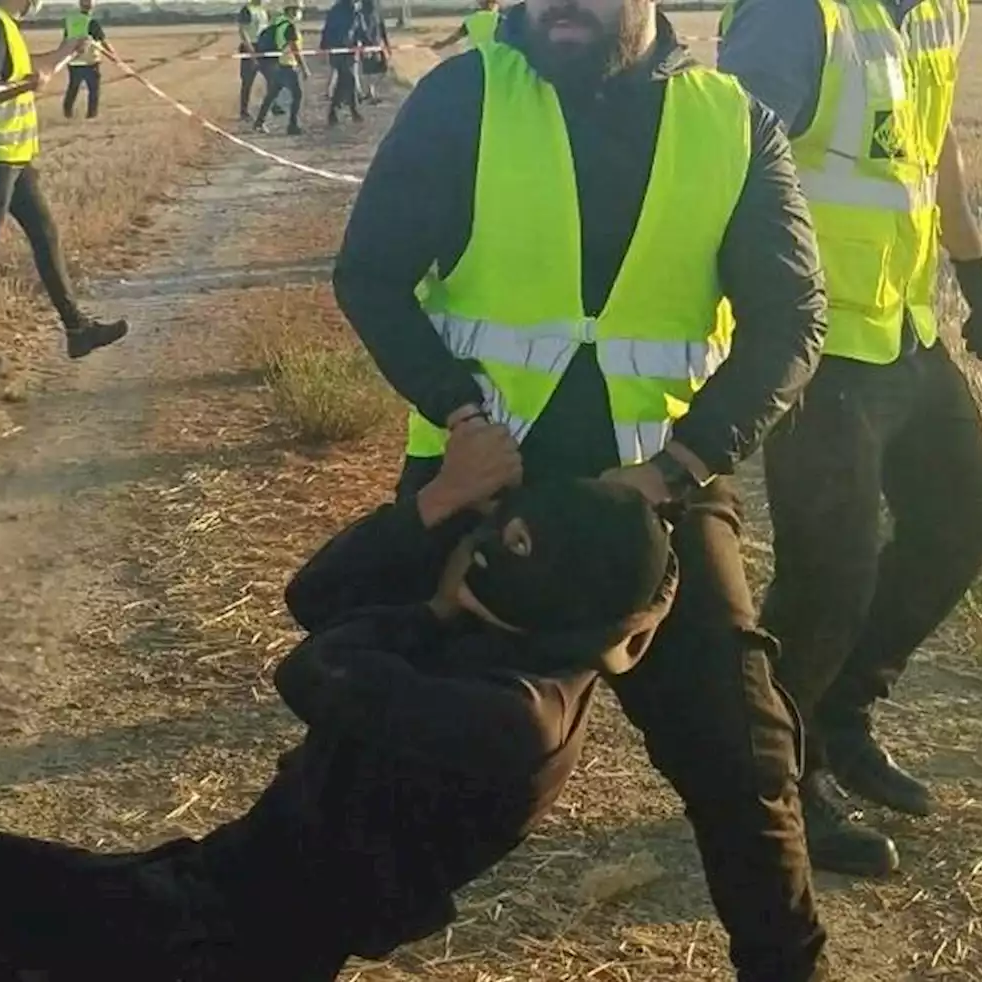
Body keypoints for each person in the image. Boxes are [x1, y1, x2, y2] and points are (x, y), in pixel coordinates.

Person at [332, 0, 836, 975]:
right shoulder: (464, 96)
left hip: (654, 503)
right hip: (484, 497)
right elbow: (369, 274)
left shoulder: (732, 122)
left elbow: (790, 321)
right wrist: (459, 417)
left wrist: (674, 468)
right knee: (381, 768)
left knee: (746, 764)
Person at [0, 466, 683, 982]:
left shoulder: (514, 719)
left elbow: (313, 668)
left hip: (233, 942)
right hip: (219, 886)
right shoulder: (520, 647)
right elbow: (313, 601)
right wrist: (431, 507)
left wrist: (431, 607)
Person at [717, 0, 982, 880]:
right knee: (830, 575)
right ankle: (772, 776)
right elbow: (732, 168)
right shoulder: (796, 17)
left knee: (961, 521)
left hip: (906, 329)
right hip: (817, 348)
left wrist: (974, 269)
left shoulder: (939, 10)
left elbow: (932, 138)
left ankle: (839, 715)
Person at [0, 0, 129, 373]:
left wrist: (69, 48)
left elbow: (30, 69)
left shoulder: (3, 23)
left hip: (11, 156)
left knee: (46, 235)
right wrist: (26, 85)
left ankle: (77, 329)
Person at [252, 3, 308, 135]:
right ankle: (293, 125)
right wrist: (304, 68)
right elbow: (295, 49)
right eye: (297, 10)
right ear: (292, 11)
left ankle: (259, 122)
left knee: (271, 95)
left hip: (278, 65)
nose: (299, 13)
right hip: (288, 65)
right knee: (297, 95)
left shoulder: (279, 23)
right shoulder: (290, 26)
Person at [62, 0, 115, 120]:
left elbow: (65, 40)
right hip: (90, 61)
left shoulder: (71, 21)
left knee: (73, 88)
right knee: (93, 90)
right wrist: (114, 55)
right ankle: (91, 115)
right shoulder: (91, 22)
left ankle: (67, 112)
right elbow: (103, 41)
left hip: (73, 61)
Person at [321, 0, 362, 126]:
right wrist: (326, 46)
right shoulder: (337, 10)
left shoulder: (355, 10)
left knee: (345, 81)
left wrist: (364, 44)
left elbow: (360, 29)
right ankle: (346, 111)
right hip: (338, 49)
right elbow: (328, 29)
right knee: (348, 79)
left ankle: (340, 111)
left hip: (349, 50)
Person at [236, 0, 272, 120]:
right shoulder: (247, 10)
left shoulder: (264, 9)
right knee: (248, 81)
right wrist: (251, 52)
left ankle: (273, 105)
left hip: (264, 46)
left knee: (272, 77)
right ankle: (244, 111)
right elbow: (243, 31)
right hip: (251, 47)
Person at [432, 0, 502, 50]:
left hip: (472, 55)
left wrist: (441, 44)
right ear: (493, 4)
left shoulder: (470, 20)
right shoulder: (500, 19)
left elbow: (455, 37)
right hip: (492, 57)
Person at [355, 0, 388, 103]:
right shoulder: (362, 13)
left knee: (383, 68)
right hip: (368, 44)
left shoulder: (377, 11)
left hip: (377, 44)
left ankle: (370, 90)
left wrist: (386, 44)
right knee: (368, 69)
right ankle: (369, 92)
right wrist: (364, 44)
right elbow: (362, 29)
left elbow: (382, 26)